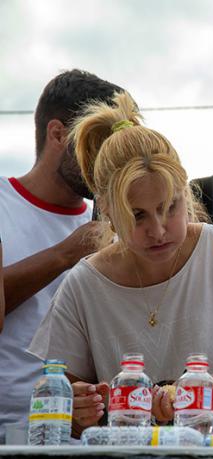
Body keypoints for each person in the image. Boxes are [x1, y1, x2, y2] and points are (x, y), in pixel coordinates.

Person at [28, 92, 213, 446]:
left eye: (169, 207)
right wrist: (78, 409)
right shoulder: (82, 285)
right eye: (138, 216)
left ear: (186, 192)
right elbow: (66, 397)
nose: (159, 229)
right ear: (106, 210)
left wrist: (193, 388)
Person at [0, 70, 122, 443]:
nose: (111, 159)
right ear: (57, 135)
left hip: (86, 439)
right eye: (98, 141)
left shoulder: (114, 225)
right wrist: (66, 253)